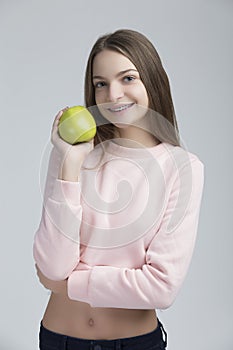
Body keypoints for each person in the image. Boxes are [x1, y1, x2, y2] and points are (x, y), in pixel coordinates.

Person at [33, 29, 204, 350]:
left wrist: (71, 283)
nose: (113, 94)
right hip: (59, 340)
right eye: (101, 83)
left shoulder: (183, 167)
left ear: (151, 80)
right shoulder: (74, 155)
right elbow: (53, 265)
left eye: (127, 78)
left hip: (136, 343)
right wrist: (69, 162)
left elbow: (161, 287)